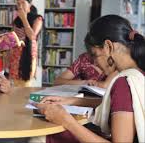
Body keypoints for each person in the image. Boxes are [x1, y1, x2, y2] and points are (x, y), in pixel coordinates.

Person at [35, 15, 145, 143]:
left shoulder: (124, 83)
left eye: (95, 55)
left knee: (39, 138)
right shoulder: (139, 74)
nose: (95, 64)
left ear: (108, 46)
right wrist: (71, 101)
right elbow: (118, 104)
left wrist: (66, 120)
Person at [8, 0, 43, 87]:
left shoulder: (37, 19)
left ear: (30, 5)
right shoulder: (16, 20)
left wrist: (24, 18)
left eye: (23, 3)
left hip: (27, 55)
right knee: (14, 85)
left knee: (25, 85)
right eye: (18, 4)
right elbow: (13, 37)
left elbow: (32, 36)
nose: (20, 6)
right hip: (15, 55)